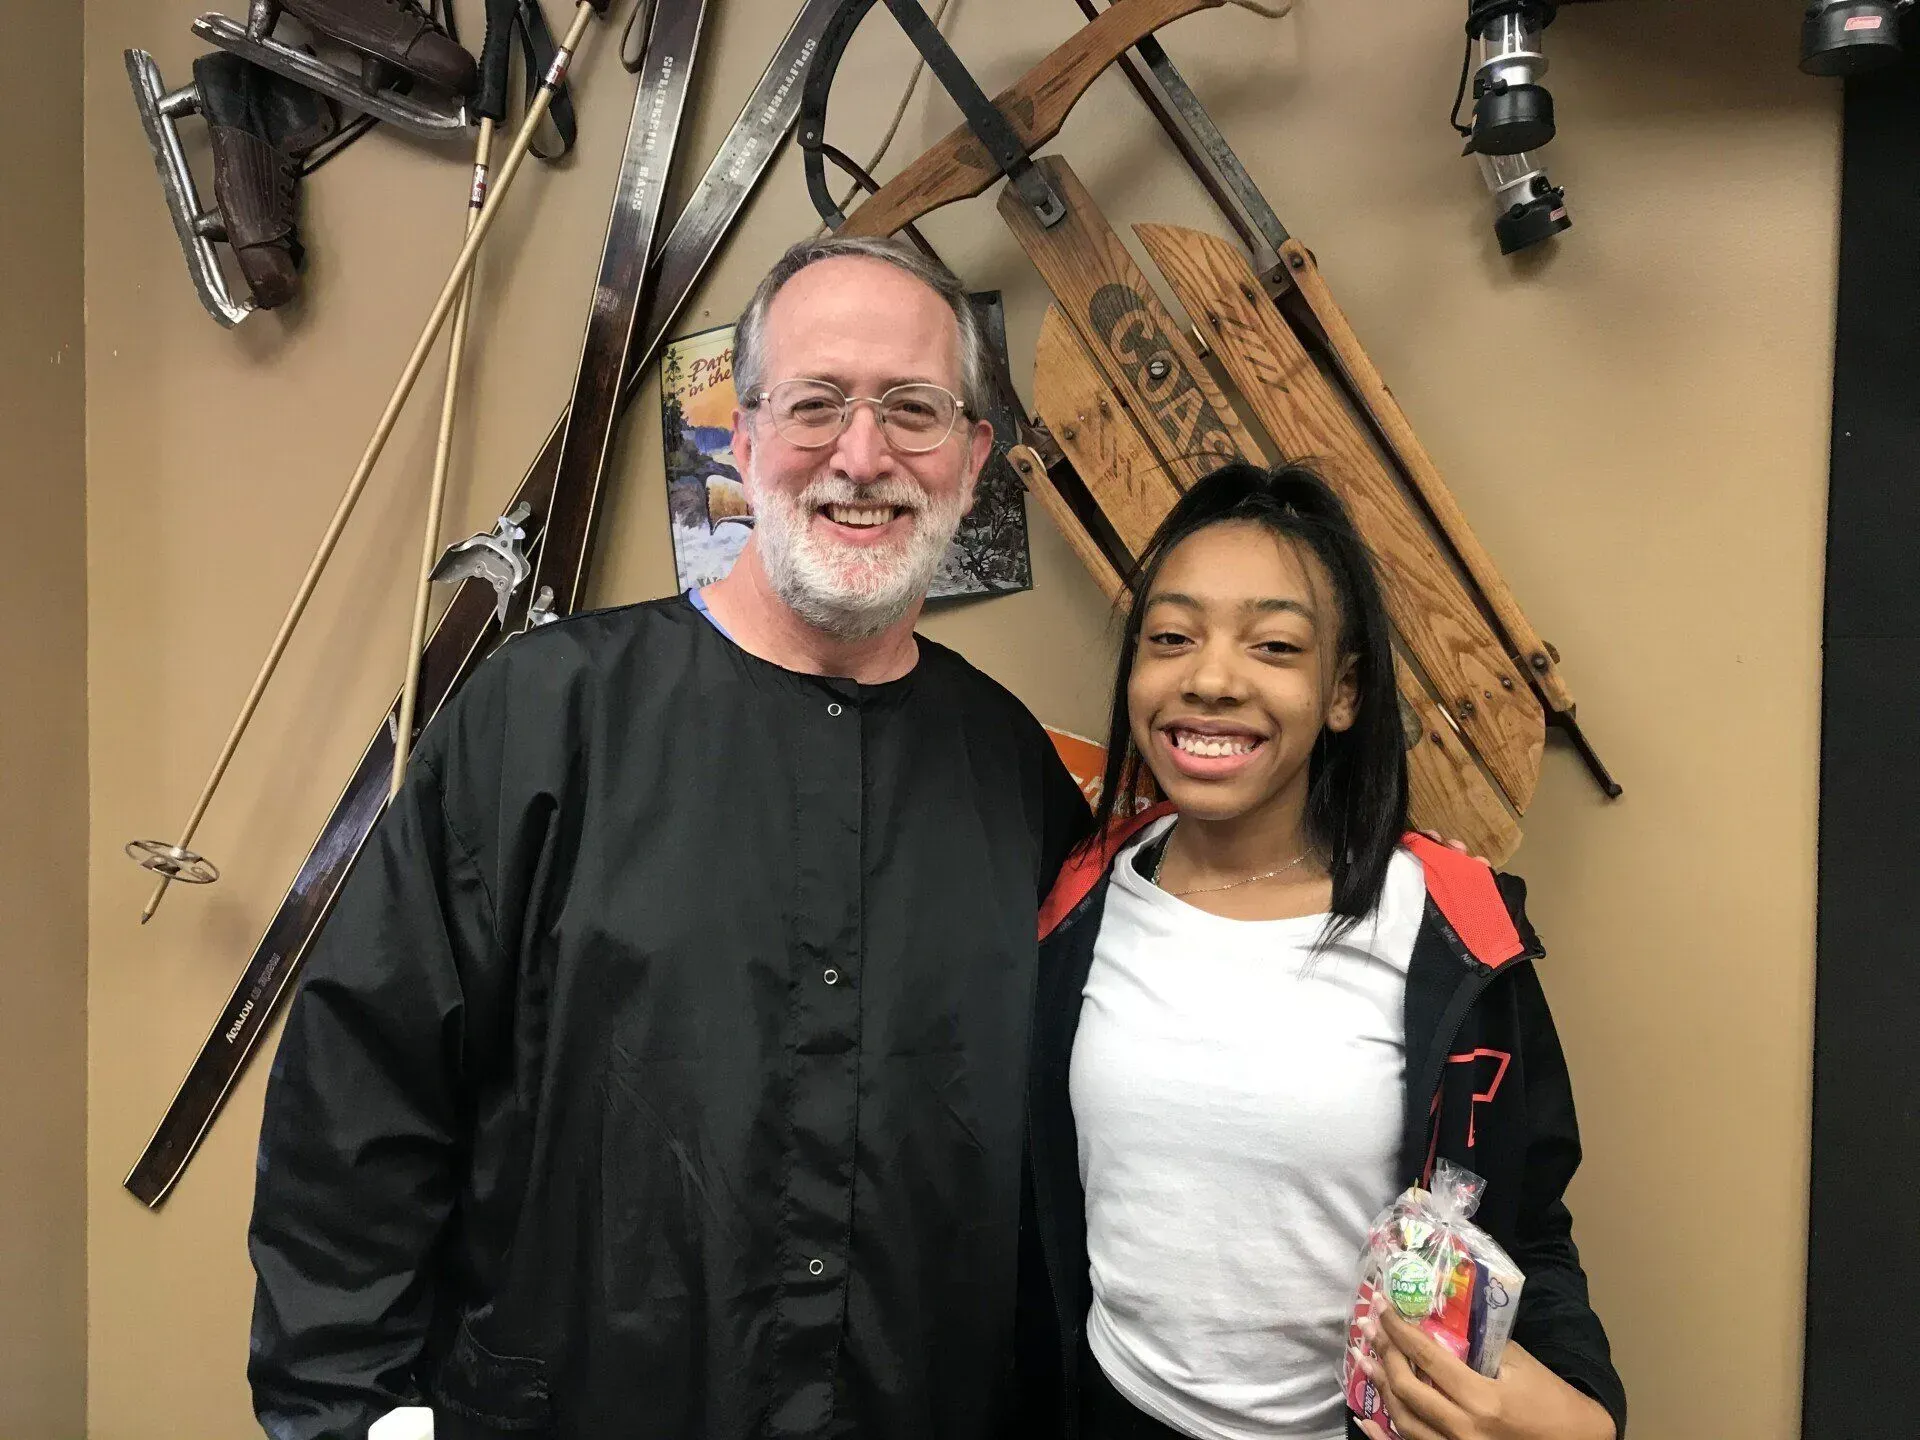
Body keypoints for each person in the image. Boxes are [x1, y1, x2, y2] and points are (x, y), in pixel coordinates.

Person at [246, 235, 1092, 1440]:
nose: (862, 455)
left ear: (971, 457)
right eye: (815, 406)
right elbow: (358, 1100)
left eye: (912, 409)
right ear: (740, 443)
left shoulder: (1013, 777)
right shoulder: (542, 721)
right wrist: (349, 1415)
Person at [1015, 462, 1625, 1440]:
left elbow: (1530, 1222)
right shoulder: (1074, 904)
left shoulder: (1451, 935)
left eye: (1273, 645)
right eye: (1171, 638)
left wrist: (1581, 1411)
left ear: (1342, 693)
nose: (1211, 678)